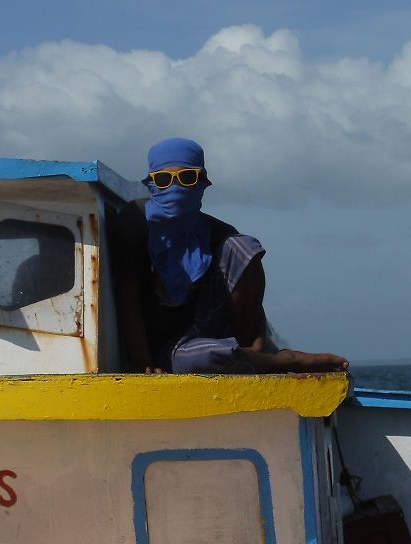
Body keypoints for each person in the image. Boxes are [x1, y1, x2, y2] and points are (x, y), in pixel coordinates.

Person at [112, 137, 348, 374]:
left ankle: (252, 355)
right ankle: (285, 361)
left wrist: (255, 344)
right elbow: (128, 299)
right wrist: (143, 362)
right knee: (202, 360)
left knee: (243, 248)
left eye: (187, 178)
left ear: (202, 182)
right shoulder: (136, 223)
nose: (175, 188)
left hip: (210, 330)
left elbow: (249, 295)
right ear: (151, 184)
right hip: (170, 349)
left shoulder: (215, 233)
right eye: (163, 180)